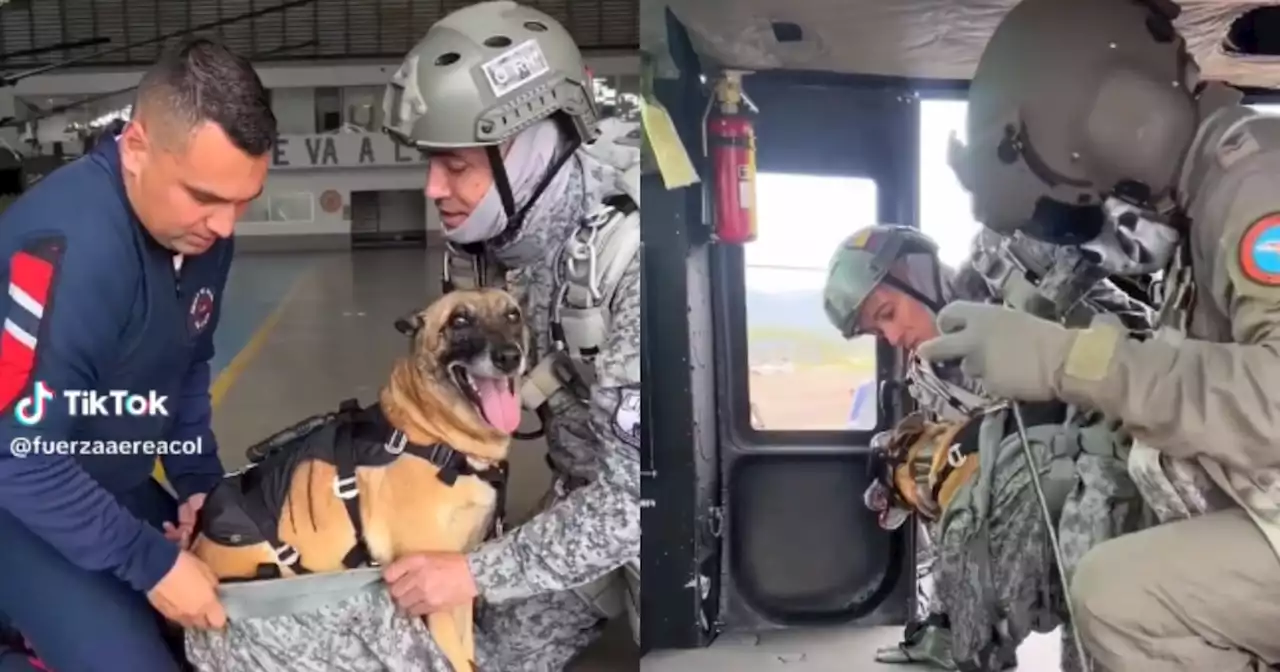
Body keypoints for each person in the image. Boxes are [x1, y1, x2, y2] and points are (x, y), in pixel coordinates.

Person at [920, 0, 1280, 669]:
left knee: (1120, 596)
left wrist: (1065, 362)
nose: (1094, 235)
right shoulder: (1212, 196)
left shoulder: (1255, 186)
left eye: (1078, 209)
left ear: (1117, 132)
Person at [378, 3, 641, 668]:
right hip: (577, 506)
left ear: (534, 147)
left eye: (457, 165)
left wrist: (475, 573)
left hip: (656, 536)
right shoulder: (498, 247)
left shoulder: (633, 262)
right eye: (431, 163)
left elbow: (639, 501)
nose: (433, 188)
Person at [0, 38, 276, 672]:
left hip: (110, 485)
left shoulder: (204, 236)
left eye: (243, 201)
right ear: (135, 148)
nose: (226, 226)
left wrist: (199, 488)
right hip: (19, 506)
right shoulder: (66, 251)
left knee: (231, 631)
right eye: (206, 197)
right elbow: (19, 456)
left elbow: (184, 368)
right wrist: (148, 560)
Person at [823, 224, 1153, 671]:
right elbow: (962, 496)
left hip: (1148, 422)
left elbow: (1123, 236)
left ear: (914, 274)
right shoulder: (935, 379)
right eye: (878, 332)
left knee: (1094, 542)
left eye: (887, 313)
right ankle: (961, 637)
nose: (894, 336)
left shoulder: (1009, 263)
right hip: (1066, 481)